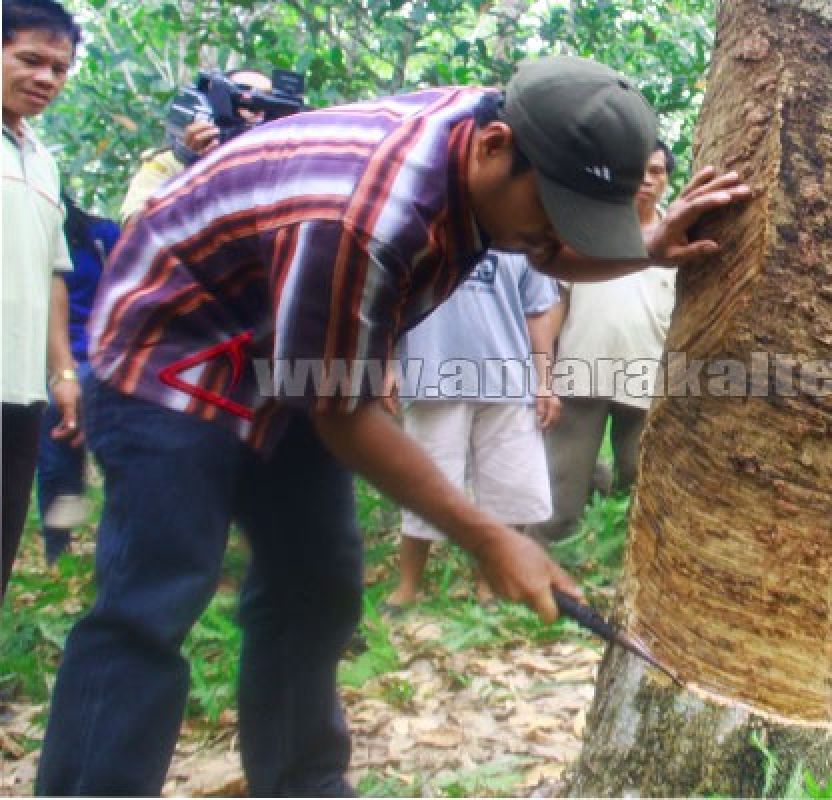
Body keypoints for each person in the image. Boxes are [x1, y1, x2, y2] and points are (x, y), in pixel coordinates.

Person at [36, 55, 750, 795]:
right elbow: (343, 414)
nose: (556, 236)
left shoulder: (515, 143)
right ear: (495, 146)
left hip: (292, 359)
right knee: (155, 595)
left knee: (317, 584)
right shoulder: (366, 213)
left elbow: (542, 245)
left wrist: (645, 246)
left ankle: (304, 786)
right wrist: (490, 537)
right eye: (551, 212)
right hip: (175, 353)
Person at [389, 250, 562, 605]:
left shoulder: (521, 236)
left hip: (509, 379)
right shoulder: (427, 230)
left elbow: (539, 310)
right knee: (425, 483)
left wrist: (545, 379)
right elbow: (388, 300)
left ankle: (489, 582)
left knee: (511, 488)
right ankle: (408, 586)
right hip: (433, 372)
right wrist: (386, 362)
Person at [528, 141, 677, 544]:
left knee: (639, 484)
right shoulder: (585, 231)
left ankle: (624, 570)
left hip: (648, 381)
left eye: (658, 171)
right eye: (638, 170)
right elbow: (554, 303)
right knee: (559, 495)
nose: (647, 179)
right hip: (581, 374)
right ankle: (543, 575)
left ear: (667, 180)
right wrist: (544, 376)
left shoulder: (679, 239)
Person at [1, 0, 80, 599]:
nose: (45, 79)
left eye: (59, 68)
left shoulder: (44, 162)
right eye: (30, 59)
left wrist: (63, 371)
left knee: (4, 535)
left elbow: (56, 273)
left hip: (21, 388)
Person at [35, 195, 120, 563]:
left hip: (104, 356)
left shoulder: (100, 237)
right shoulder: (31, 245)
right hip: (52, 359)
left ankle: (114, 538)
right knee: (55, 420)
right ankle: (59, 545)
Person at [118, 67, 273, 224]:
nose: (258, 109)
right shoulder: (171, 162)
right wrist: (196, 170)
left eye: (267, 100)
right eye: (245, 97)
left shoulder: (279, 163)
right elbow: (137, 229)